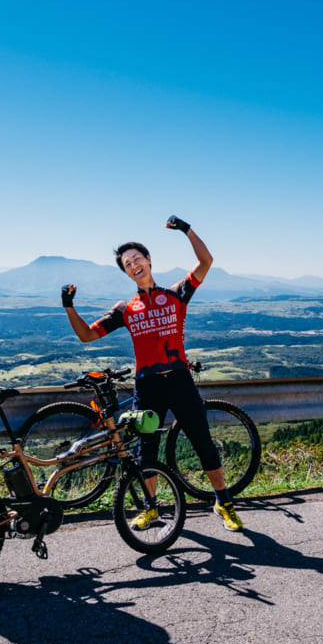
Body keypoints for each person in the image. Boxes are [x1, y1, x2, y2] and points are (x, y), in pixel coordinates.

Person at [61, 215, 244, 532]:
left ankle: (223, 502)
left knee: (203, 442)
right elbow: (87, 335)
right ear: (126, 272)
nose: (133, 265)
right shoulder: (125, 308)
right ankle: (151, 508)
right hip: (147, 386)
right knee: (147, 449)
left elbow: (206, 261)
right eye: (127, 263)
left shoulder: (176, 294)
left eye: (137, 258)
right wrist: (68, 307)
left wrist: (186, 230)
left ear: (148, 260)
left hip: (179, 380)